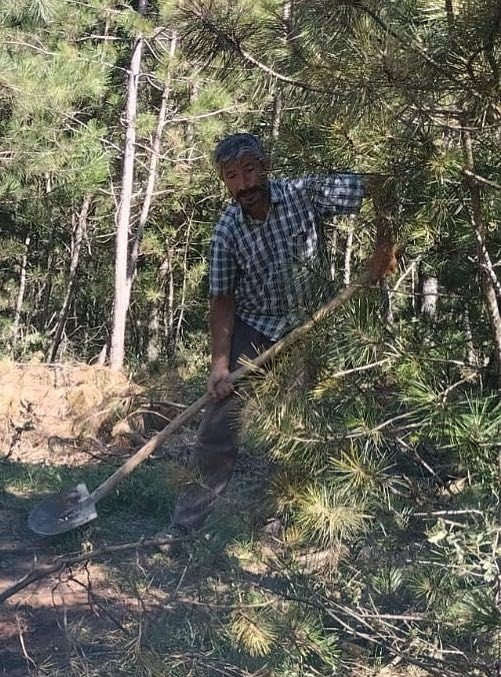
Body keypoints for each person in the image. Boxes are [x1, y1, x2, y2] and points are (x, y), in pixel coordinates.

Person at [171, 132, 398, 532]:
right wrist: (220, 366)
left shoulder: (303, 193)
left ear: (265, 167)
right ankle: (186, 526)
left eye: (249, 171)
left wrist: (384, 246)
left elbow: (381, 183)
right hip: (255, 326)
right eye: (231, 176)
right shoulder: (227, 232)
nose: (243, 185)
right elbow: (222, 301)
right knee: (218, 428)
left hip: (311, 325)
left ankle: (291, 522)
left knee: (300, 427)